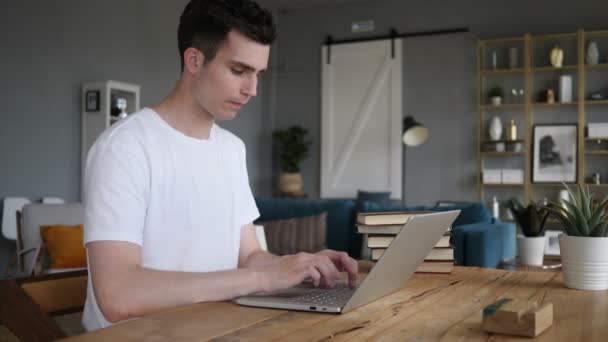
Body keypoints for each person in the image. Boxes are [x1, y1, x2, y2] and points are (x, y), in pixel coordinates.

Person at [82, 0, 358, 331]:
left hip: (220, 329)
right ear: (194, 60)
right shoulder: (124, 148)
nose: (252, 90)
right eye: (239, 71)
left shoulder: (230, 150)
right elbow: (118, 296)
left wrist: (300, 264)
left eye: (258, 74)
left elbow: (249, 257)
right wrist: (259, 278)